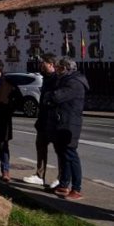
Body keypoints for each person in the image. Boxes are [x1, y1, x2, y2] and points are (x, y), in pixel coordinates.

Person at [45, 57, 89, 201]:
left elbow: (57, 96)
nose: (57, 71)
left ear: (66, 68)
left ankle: (76, 188)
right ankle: (64, 184)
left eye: (59, 68)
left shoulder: (74, 83)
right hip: (63, 122)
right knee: (63, 154)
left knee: (71, 155)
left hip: (70, 123)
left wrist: (49, 96)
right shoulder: (66, 80)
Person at [23, 53, 61, 188]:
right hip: (43, 120)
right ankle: (40, 175)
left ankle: (61, 177)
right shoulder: (45, 78)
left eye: (43, 63)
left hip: (54, 121)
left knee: (59, 150)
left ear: (50, 64)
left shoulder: (57, 79)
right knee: (40, 146)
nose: (40, 65)